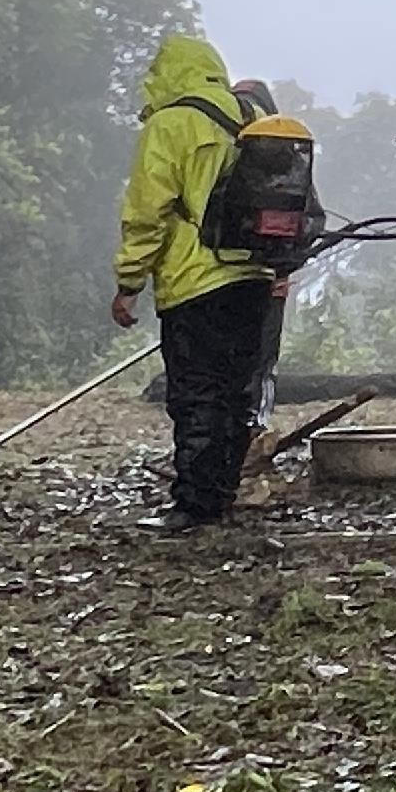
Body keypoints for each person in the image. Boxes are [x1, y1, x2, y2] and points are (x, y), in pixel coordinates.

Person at [114, 34, 276, 529]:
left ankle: (194, 506)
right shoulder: (251, 120)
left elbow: (148, 211)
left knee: (196, 392)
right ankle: (222, 493)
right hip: (252, 276)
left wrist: (129, 281)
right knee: (235, 390)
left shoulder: (170, 124)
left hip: (194, 281)